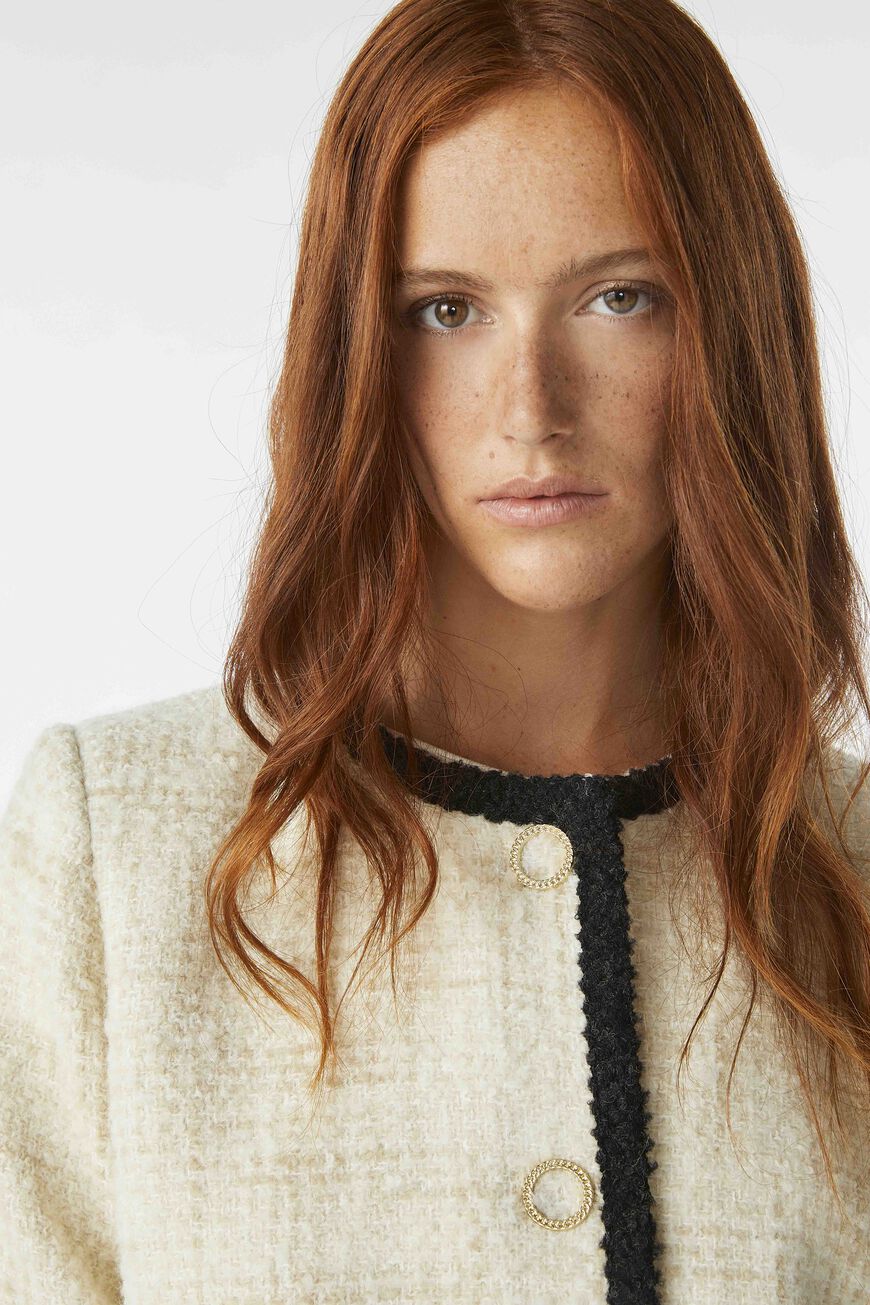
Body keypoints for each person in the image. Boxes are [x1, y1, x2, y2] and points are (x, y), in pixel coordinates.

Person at [3, 1, 870, 1302]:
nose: (531, 409)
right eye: (445, 310)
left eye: (619, 298)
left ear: (732, 330)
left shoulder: (851, 870)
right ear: (353, 350)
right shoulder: (115, 852)